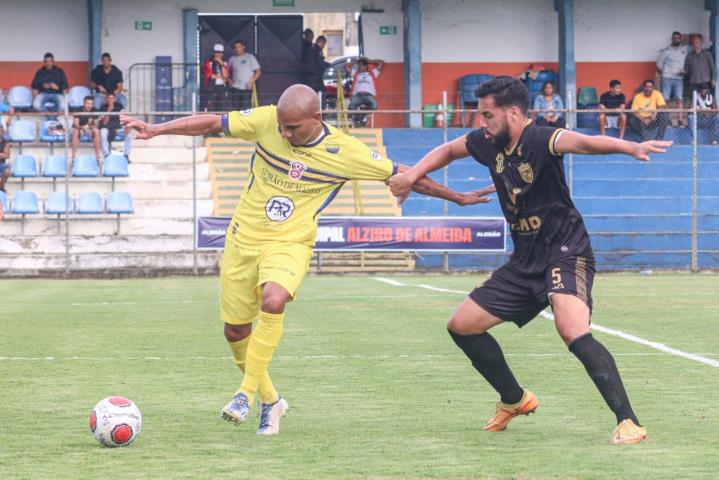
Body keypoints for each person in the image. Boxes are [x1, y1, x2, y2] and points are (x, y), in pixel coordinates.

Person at [120, 84, 492, 436]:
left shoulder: (345, 151)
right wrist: (156, 129)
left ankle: (244, 394)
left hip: (290, 243)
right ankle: (272, 401)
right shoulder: (266, 120)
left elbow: (405, 175)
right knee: (235, 331)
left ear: (316, 118)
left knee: (274, 299)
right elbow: (212, 122)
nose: (283, 133)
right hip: (242, 241)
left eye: (292, 127)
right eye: (280, 126)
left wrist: (456, 197)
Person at [388, 76, 671, 445]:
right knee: (462, 326)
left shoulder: (541, 138)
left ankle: (628, 421)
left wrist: (628, 148)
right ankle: (514, 400)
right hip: (525, 260)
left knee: (571, 329)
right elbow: (448, 149)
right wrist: (411, 175)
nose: (481, 123)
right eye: (480, 114)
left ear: (514, 113)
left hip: (565, 251)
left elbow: (585, 142)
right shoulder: (487, 142)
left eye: (488, 115)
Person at [657, 31, 688, 125]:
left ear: (680, 39)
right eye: (674, 38)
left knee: (679, 99)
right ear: (672, 39)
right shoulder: (666, 51)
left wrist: (684, 71)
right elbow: (659, 65)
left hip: (679, 79)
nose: (676, 39)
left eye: (678, 38)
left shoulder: (685, 49)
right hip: (667, 78)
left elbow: (690, 60)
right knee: (665, 99)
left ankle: (680, 119)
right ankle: (667, 119)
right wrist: (667, 72)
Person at [345, 57, 384, 127]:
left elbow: (381, 62)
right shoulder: (355, 73)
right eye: (358, 65)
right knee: (350, 108)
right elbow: (346, 66)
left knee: (374, 107)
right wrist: (356, 61)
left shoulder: (373, 73)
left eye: (360, 65)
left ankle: (361, 117)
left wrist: (370, 61)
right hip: (357, 96)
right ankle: (361, 119)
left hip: (369, 95)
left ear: (366, 66)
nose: (358, 67)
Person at [228, 40, 261, 111]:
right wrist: (229, 81)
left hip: (247, 88)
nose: (237, 49)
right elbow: (226, 72)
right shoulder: (232, 59)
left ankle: (246, 122)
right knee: (235, 109)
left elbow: (258, 71)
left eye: (239, 47)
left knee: (246, 109)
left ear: (243, 47)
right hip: (235, 87)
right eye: (235, 47)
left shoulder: (250, 57)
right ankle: (236, 122)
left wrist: (251, 81)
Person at [99, 93, 132, 159]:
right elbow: (105, 122)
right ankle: (106, 155)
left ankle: (126, 155)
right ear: (106, 99)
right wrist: (109, 110)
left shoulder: (119, 106)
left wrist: (127, 126)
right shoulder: (102, 107)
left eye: (112, 98)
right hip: (107, 127)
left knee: (129, 135)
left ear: (115, 99)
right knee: (103, 133)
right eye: (108, 98)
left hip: (118, 127)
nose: (110, 100)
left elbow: (123, 118)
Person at [71, 96, 102, 161]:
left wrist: (88, 127)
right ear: (84, 103)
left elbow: (96, 124)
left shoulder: (95, 110)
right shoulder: (78, 110)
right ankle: (73, 157)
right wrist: (82, 127)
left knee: (96, 131)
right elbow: (76, 124)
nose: (89, 106)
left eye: (91, 104)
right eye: (87, 103)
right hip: (79, 128)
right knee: (76, 131)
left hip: (89, 129)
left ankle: (98, 157)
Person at [204, 44, 229, 111]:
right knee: (211, 107)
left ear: (222, 54)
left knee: (221, 107)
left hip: (222, 87)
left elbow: (225, 76)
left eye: (220, 52)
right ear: (213, 53)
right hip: (211, 87)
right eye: (216, 52)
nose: (218, 54)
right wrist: (219, 76)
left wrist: (221, 63)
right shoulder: (209, 62)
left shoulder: (225, 63)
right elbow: (211, 76)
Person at [0, 125, 11, 193]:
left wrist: (3, 155)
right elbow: (3, 154)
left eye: (1, 131)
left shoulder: (6, 142)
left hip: (1, 164)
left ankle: (0, 187)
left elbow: (6, 155)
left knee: (7, 171)